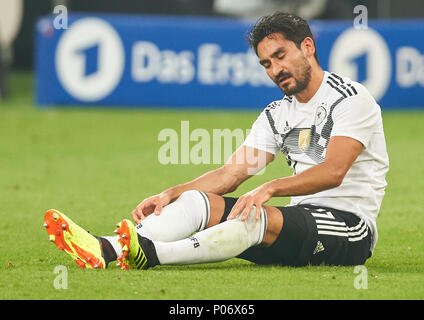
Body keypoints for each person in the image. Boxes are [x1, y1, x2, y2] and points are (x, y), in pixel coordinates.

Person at [44, 12, 389, 270]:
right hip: (296, 224)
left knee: (251, 218)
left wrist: (268, 188)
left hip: (348, 228)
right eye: (266, 63)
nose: (274, 70)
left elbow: (334, 171)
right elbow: (230, 175)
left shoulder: (350, 98)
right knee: (199, 201)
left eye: (281, 56)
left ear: (308, 47)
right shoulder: (277, 114)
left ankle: (151, 254)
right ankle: (105, 248)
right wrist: (171, 193)